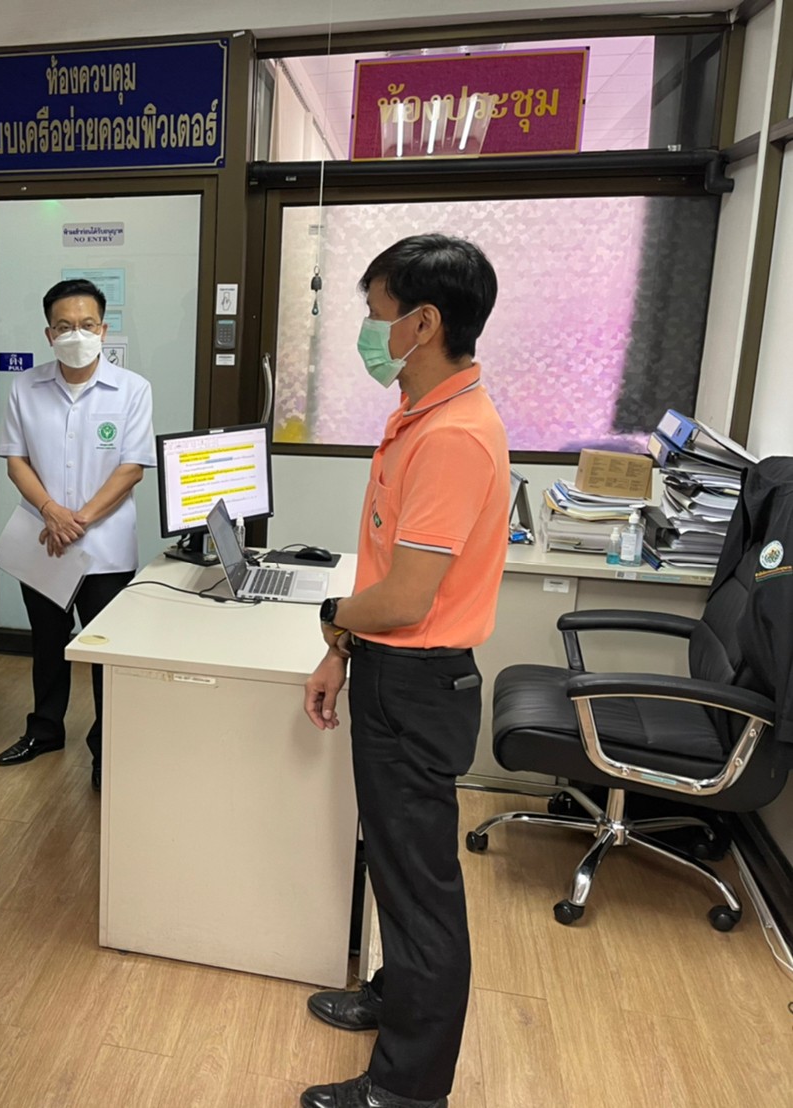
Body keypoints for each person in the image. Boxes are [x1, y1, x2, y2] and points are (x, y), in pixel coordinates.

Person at [299, 235, 508, 1108]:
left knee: (422, 892)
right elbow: (387, 567)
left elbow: (408, 597)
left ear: (423, 324)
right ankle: (396, 996)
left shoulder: (455, 436)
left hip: (417, 684)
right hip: (391, 670)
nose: (368, 329)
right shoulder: (418, 415)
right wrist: (339, 649)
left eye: (376, 313)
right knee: (393, 862)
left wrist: (331, 615)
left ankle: (407, 1091)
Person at [0, 278, 155, 792]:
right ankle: (44, 730)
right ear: (49, 333)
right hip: (42, 540)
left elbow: (132, 468)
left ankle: (106, 746)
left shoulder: (133, 389)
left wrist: (75, 520)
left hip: (104, 547)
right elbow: (15, 460)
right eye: (64, 326)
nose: (76, 334)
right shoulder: (25, 388)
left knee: (105, 650)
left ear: (103, 330)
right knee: (47, 643)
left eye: (87, 324)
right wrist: (50, 511)